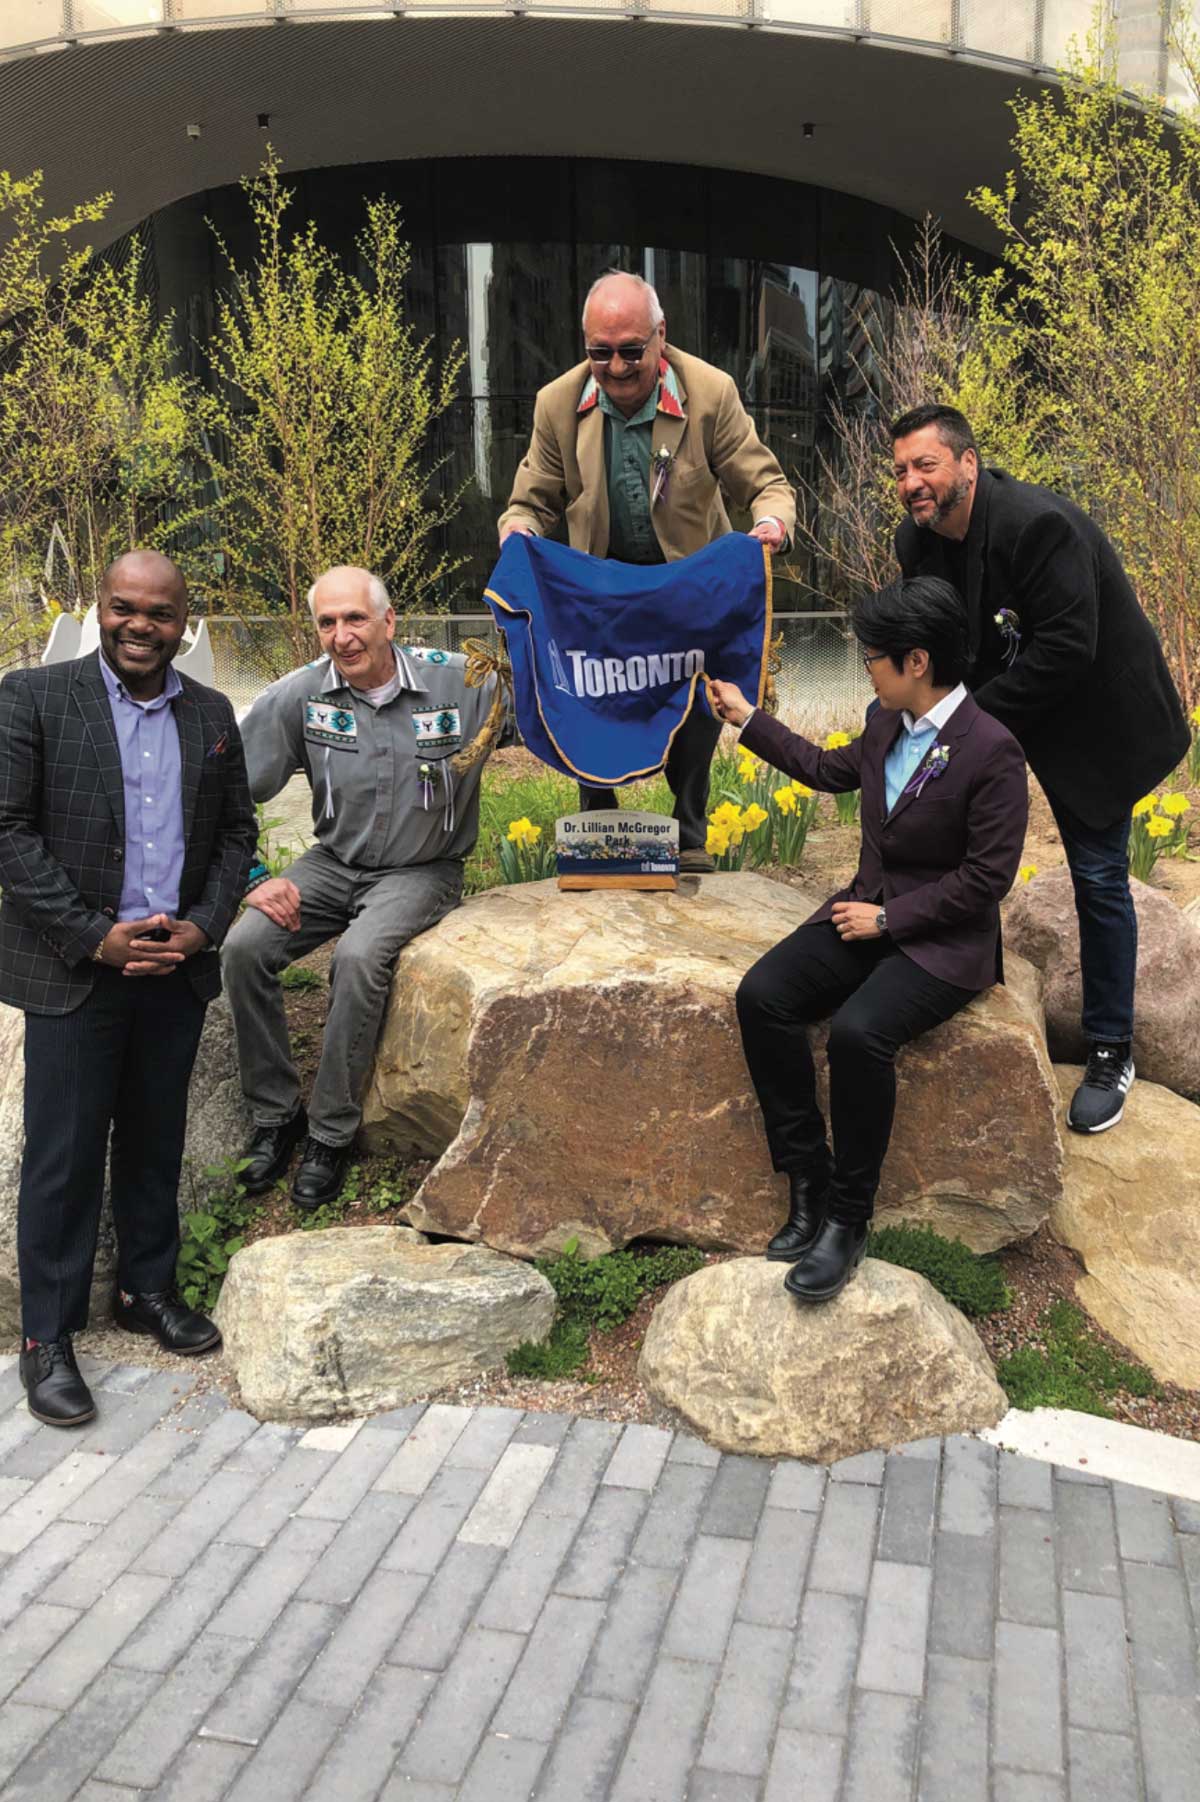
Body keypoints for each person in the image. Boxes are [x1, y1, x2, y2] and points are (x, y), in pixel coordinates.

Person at [710, 577, 1028, 1302]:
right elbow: (828, 770)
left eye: (873, 656)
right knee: (763, 996)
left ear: (916, 661)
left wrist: (890, 921)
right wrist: (747, 718)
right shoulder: (885, 722)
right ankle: (810, 1182)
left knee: (858, 1034)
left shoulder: (992, 750)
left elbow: (987, 879)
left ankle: (848, 1222)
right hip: (866, 911)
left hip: (943, 942)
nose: (865, 667)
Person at [0, 551, 257, 1426]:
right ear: (99, 610)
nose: (139, 625)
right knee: (64, 1159)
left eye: (158, 613)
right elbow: (8, 834)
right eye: (123, 608)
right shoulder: (33, 700)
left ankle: (144, 1292)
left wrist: (205, 926)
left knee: (154, 1142)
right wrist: (92, 938)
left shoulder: (213, 714)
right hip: (77, 970)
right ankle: (48, 1338)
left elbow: (235, 835)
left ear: (184, 621)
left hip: (173, 968)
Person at [891, 403, 1189, 1133]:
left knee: (1096, 875)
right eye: (899, 470)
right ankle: (944, 983)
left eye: (924, 464)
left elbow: (1067, 647)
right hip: (1005, 706)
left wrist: (963, 724)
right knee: (947, 838)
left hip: (1095, 716)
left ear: (967, 463)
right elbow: (933, 639)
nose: (910, 483)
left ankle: (1111, 1049)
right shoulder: (917, 541)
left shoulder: (1036, 526)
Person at [498, 270, 796, 872]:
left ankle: (688, 837)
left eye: (632, 350)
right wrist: (519, 533)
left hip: (686, 598)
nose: (616, 366)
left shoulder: (710, 392)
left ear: (662, 337)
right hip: (599, 604)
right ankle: (601, 839)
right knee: (587, 706)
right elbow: (531, 501)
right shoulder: (557, 403)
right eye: (600, 352)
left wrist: (770, 526)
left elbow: (765, 483)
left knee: (696, 703)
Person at [224, 566, 500, 1212]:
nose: (342, 636)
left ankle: (329, 1131)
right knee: (243, 948)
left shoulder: (461, 680)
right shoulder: (301, 697)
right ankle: (275, 1114)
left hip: (422, 869)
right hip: (332, 864)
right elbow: (223, 782)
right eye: (327, 623)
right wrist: (252, 876)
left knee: (358, 957)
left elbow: (550, 708)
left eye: (355, 619)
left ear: (389, 622)